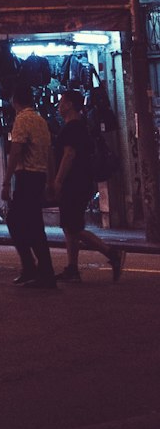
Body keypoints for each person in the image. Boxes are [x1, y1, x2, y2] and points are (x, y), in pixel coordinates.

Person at [49, 88, 124, 283]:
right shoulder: (79, 126)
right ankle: (72, 268)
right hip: (79, 183)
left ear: (70, 104)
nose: (59, 105)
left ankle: (112, 253)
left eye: (62, 101)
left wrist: (58, 180)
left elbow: (69, 155)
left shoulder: (73, 127)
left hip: (74, 183)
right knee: (69, 226)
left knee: (73, 228)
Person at [2, 84, 56, 289]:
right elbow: (50, 152)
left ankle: (35, 268)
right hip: (39, 176)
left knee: (16, 222)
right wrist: (50, 180)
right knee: (33, 224)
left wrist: (6, 181)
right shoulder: (41, 121)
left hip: (26, 177)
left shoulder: (22, 119)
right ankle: (40, 270)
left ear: (15, 101)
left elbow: (16, 152)